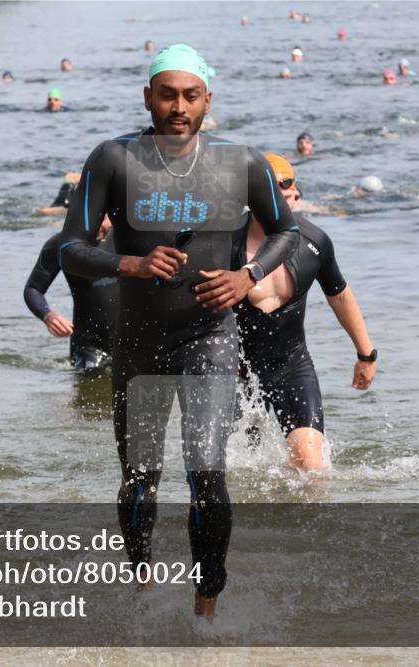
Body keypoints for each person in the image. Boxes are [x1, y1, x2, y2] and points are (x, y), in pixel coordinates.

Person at [56, 43, 299, 620]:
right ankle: (140, 592)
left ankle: (206, 608)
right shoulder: (113, 159)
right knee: (140, 477)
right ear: (148, 97)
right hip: (137, 340)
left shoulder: (242, 164)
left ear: (208, 100)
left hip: (209, 337)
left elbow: (289, 232)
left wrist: (249, 275)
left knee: (206, 470)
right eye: (167, 95)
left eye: (191, 96)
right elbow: (68, 248)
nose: (179, 107)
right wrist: (130, 264)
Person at [234, 155, 377, 470]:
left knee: (308, 463)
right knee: (234, 470)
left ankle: (316, 517)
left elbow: (339, 297)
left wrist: (366, 355)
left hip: (291, 366)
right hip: (232, 373)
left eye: (287, 198)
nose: (282, 208)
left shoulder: (314, 242)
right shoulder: (223, 242)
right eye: (272, 199)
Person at [25, 217, 117, 370]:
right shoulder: (61, 243)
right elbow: (33, 289)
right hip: (88, 346)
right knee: (87, 391)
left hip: (130, 340)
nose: (97, 225)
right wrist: (48, 316)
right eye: (93, 217)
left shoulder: (127, 239)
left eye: (103, 218)